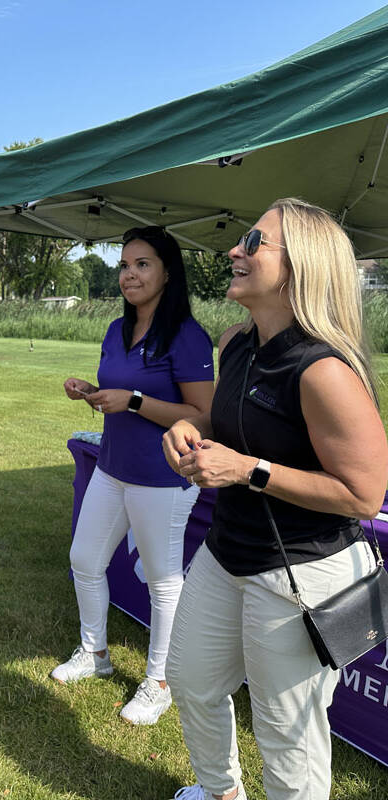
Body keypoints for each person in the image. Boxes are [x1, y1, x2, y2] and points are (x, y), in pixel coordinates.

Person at [162, 198, 388, 800]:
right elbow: (230, 427)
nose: (235, 251)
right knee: (189, 681)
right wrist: (193, 438)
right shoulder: (235, 341)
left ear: (299, 267)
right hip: (226, 551)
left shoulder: (324, 371)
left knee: (287, 733)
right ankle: (220, 791)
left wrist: (249, 470)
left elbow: (363, 495)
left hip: (301, 572)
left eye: (255, 242)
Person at [54, 226, 214, 726]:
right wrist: (92, 390)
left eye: (143, 264)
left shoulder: (187, 336)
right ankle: (95, 654)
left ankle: (159, 681)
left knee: (164, 582)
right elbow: (119, 391)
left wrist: (136, 402)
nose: (129, 274)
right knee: (84, 558)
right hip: (113, 466)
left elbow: (203, 416)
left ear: (168, 272)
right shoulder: (115, 330)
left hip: (163, 477)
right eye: (125, 265)